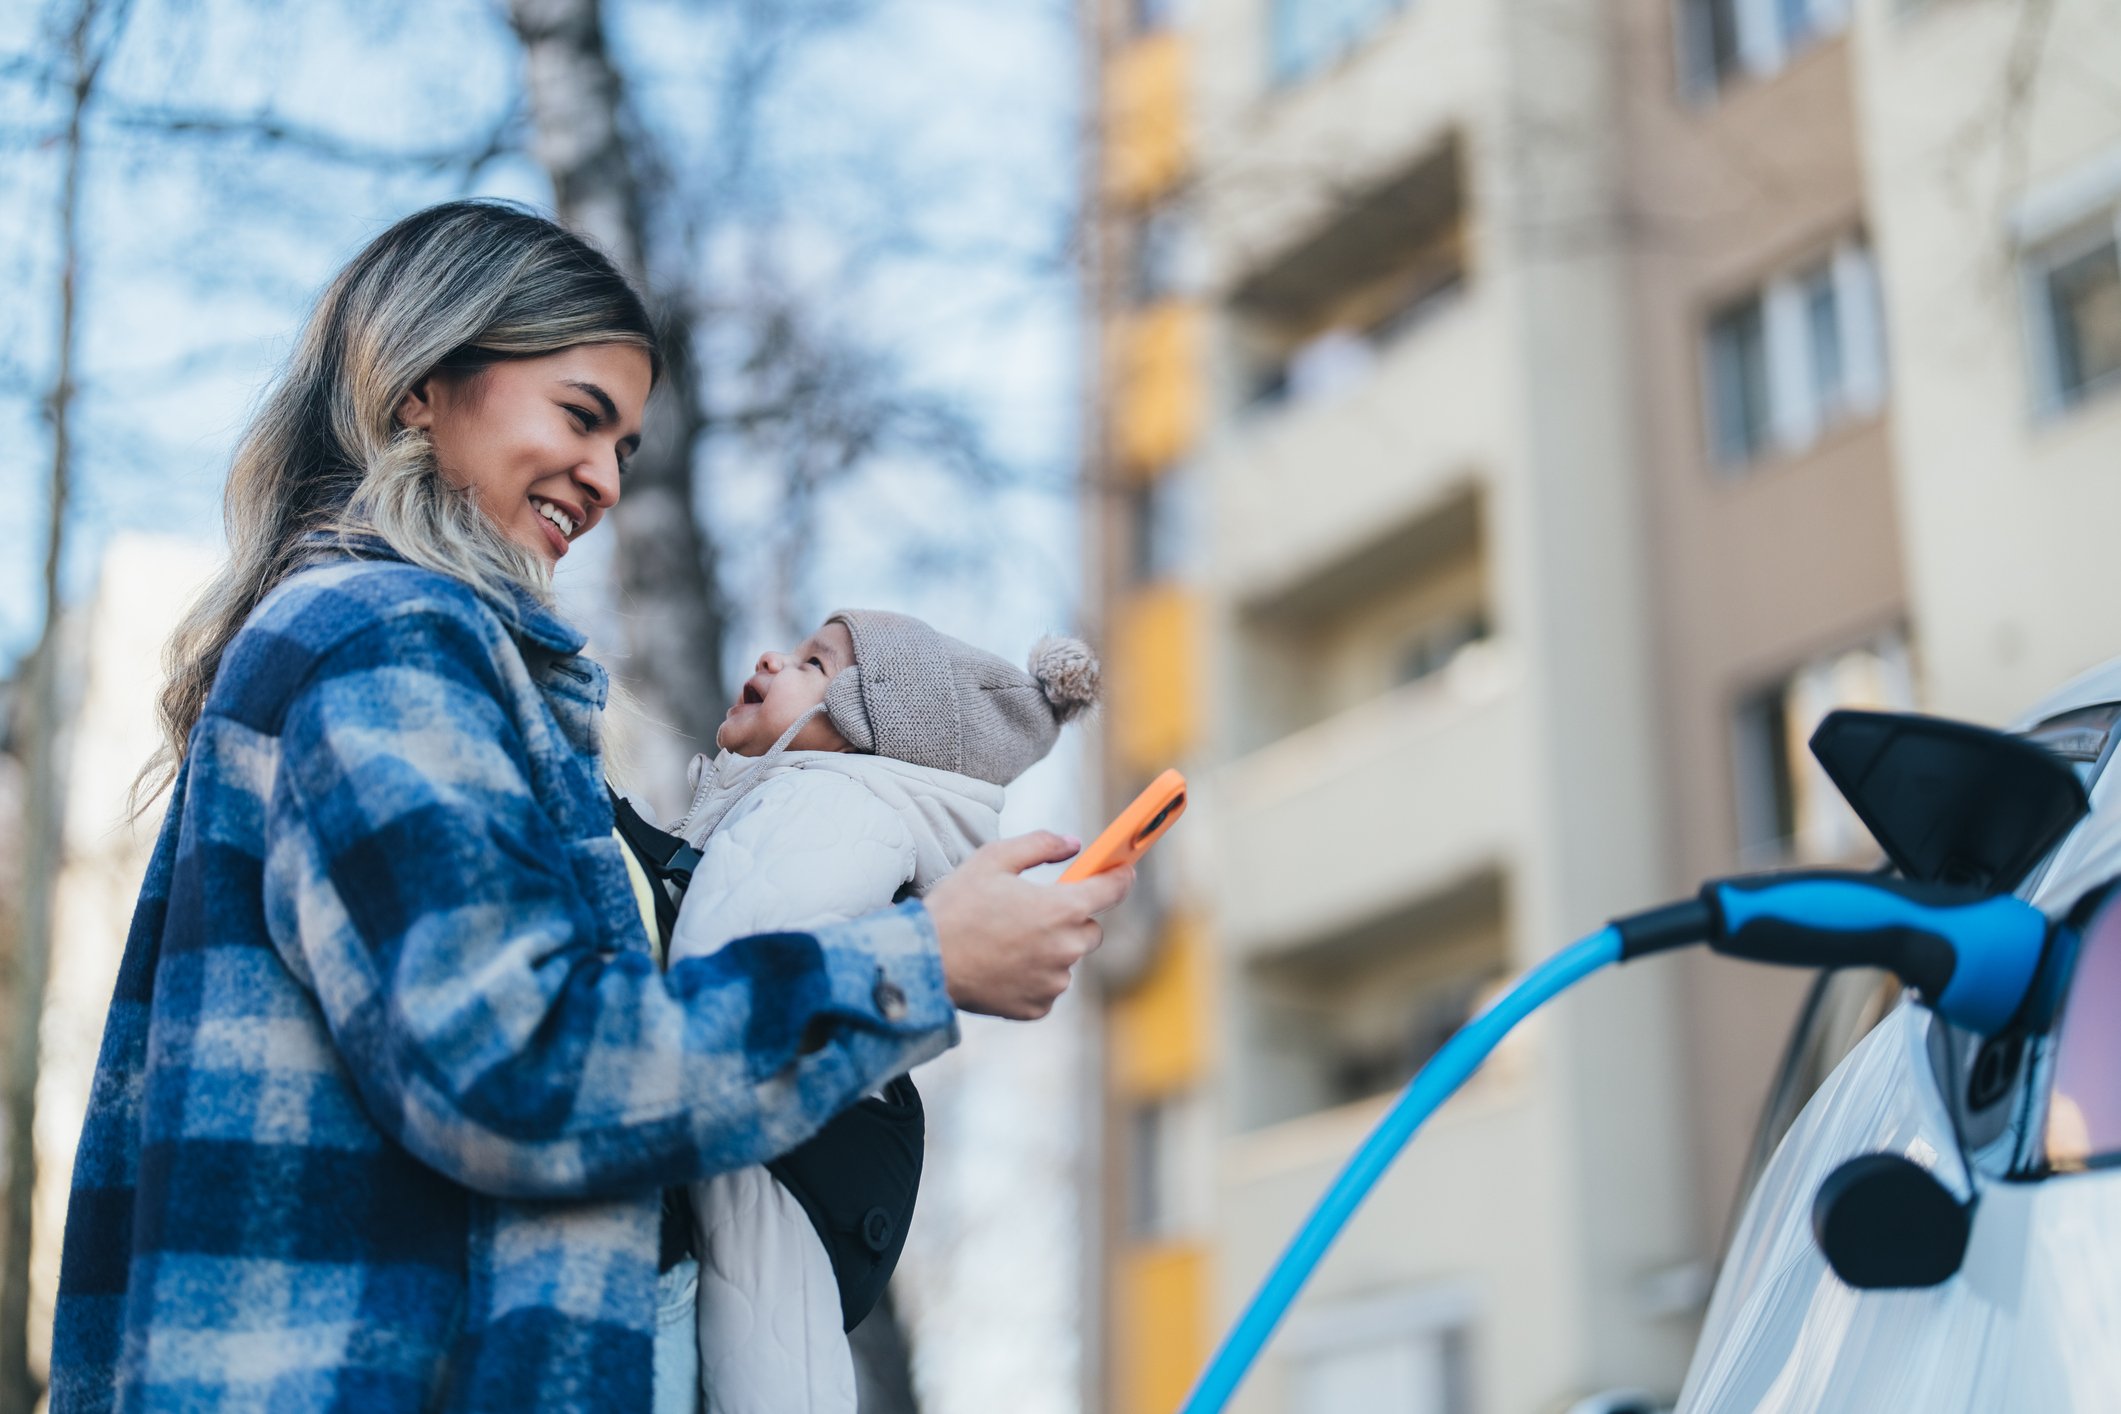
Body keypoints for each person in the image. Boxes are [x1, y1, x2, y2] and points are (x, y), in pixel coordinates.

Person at [47, 199, 1130, 1414]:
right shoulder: (388, 638)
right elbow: (516, 1066)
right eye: (581, 417)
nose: (607, 479)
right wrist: (917, 967)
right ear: (422, 386)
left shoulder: (388, 648)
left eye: (625, 447)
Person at [662, 610, 1100, 1414]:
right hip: (769, 1157)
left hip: (736, 1150)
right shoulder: (829, 806)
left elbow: (724, 983)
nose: (771, 658)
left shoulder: (831, 806)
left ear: (872, 723)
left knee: (760, 1337)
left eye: (814, 663)